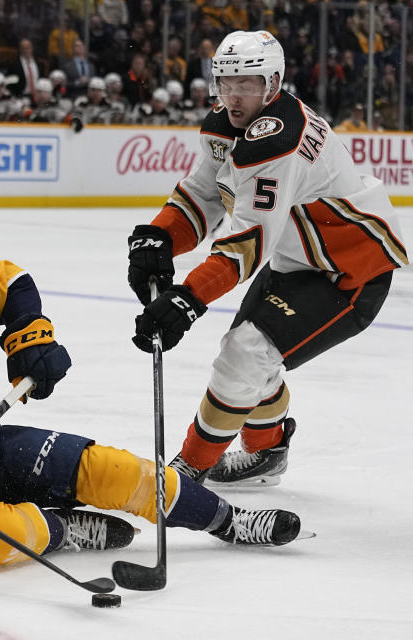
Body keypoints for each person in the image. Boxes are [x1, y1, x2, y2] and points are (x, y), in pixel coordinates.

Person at [0, 219, 303, 570]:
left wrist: (29, 337)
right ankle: (62, 529)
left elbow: (11, 280)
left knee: (109, 468)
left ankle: (228, 520)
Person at [126, 31, 408, 487]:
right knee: (248, 354)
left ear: (273, 84)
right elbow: (205, 192)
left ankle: (189, 470)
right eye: (225, 83)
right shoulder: (228, 122)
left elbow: (247, 243)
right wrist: (157, 237)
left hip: (348, 271)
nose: (233, 97)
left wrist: (187, 299)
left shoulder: (279, 140)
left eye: (247, 85)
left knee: (247, 353)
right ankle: (267, 452)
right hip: (298, 257)